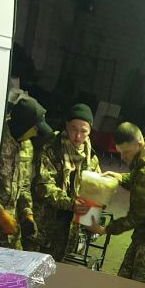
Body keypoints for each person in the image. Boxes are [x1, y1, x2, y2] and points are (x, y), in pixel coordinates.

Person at [92, 123, 145, 283]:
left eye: (126, 152)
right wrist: (120, 177)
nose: (122, 157)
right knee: (124, 279)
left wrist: (105, 229)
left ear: (138, 144)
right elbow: (138, 178)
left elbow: (135, 217)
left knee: (139, 286)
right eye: (120, 152)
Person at [32, 104, 101, 261]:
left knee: (58, 267)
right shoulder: (51, 149)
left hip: (69, 228)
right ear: (66, 126)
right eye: (74, 129)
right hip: (46, 223)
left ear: (90, 131)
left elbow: (95, 192)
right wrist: (71, 204)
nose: (78, 136)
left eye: (83, 131)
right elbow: (43, 186)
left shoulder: (91, 159)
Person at [0, 96, 52, 248]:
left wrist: (27, 213)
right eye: (34, 128)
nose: (35, 133)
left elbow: (24, 186)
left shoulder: (27, 146)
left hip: (11, 229)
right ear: (24, 125)